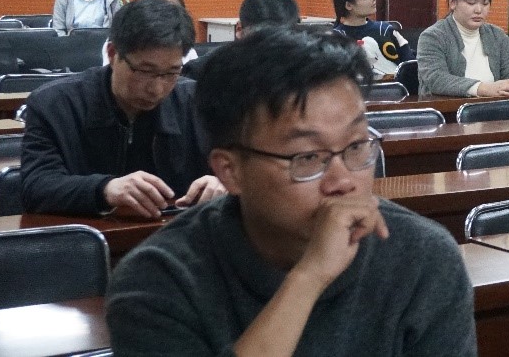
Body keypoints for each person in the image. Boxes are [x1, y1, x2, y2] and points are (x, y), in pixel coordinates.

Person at [106, 26, 477, 357]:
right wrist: (309, 278)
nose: (343, 181)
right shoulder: (159, 282)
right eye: (308, 157)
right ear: (230, 172)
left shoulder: (422, 257)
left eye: (356, 146)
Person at [21, 0, 225, 217]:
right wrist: (104, 190)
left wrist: (223, 182)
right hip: (91, 235)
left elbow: (237, 167)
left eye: (171, 73)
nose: (156, 89)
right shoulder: (55, 105)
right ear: (112, 54)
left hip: (180, 233)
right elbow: (36, 187)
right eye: (144, 71)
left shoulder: (196, 102)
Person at [331, 0, 414, 76]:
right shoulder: (335, 39)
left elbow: (410, 64)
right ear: (349, 5)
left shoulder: (386, 29)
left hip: (395, 85)